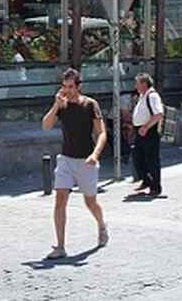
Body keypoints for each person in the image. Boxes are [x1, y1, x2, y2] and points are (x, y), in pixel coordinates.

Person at [41, 68, 108, 259]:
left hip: (86, 160)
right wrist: (56, 106)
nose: (67, 90)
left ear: (78, 86)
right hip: (66, 159)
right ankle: (60, 246)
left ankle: (101, 225)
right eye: (64, 87)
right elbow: (45, 126)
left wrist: (95, 154)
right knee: (60, 198)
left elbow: (102, 133)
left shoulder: (90, 104)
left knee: (90, 201)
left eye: (70, 87)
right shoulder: (62, 105)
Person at [131, 73, 165, 197]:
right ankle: (146, 181)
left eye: (138, 83)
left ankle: (155, 187)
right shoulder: (142, 96)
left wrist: (146, 127)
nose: (136, 86)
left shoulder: (152, 95)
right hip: (140, 131)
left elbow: (158, 114)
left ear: (144, 83)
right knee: (138, 157)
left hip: (149, 131)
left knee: (152, 160)